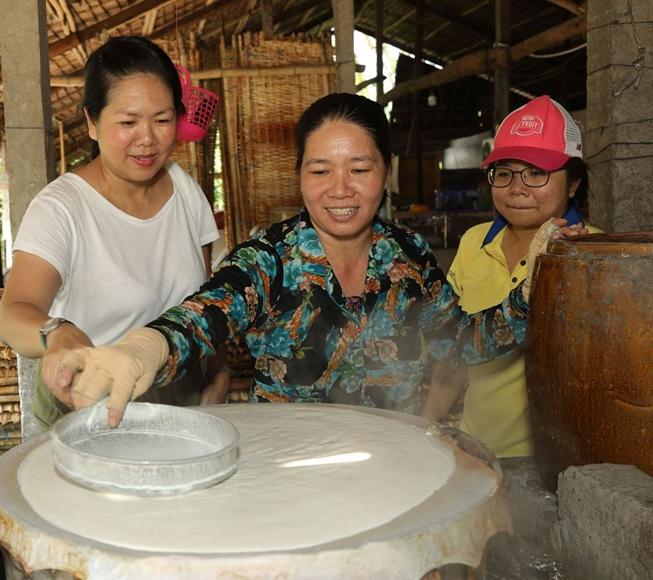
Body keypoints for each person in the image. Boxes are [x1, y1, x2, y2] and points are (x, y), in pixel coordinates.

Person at [62, 92, 571, 428]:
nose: (340, 190)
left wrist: (531, 297)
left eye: (360, 168)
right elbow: (206, 313)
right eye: (320, 170)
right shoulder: (271, 260)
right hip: (292, 484)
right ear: (300, 175)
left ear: (386, 173)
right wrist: (143, 348)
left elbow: (460, 342)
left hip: (395, 470)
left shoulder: (410, 258)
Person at [0, 36, 229, 431]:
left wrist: (219, 370)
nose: (147, 139)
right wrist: (58, 333)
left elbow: (206, 298)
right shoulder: (62, 208)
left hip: (179, 397)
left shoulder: (184, 189)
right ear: (92, 121)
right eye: (127, 122)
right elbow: (13, 314)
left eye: (162, 120)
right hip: (89, 405)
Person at [421, 95, 598, 457]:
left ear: (574, 183)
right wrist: (423, 431)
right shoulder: (474, 242)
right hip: (476, 450)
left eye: (536, 172)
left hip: (558, 462)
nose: (517, 188)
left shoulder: (594, 255)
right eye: (504, 173)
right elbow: (453, 355)